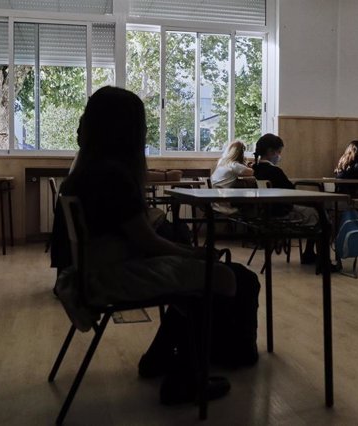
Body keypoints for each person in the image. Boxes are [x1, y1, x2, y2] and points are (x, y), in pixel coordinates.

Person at [52, 85, 236, 405]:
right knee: (218, 276)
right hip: (109, 277)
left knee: (201, 271)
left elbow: (133, 233)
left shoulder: (86, 171)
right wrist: (195, 254)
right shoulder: (113, 176)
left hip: (89, 272)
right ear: (128, 131)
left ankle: (163, 357)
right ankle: (185, 379)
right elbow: (148, 242)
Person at [251, 133, 319, 264]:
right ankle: (312, 255)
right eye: (279, 152)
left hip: (265, 213)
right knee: (321, 216)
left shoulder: (254, 169)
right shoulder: (275, 171)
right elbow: (292, 193)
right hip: (283, 213)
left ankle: (310, 254)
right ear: (271, 152)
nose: (279, 156)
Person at [209, 140, 256, 215]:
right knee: (253, 202)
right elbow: (253, 172)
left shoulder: (222, 163)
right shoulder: (234, 165)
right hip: (224, 205)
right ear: (241, 153)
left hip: (215, 203)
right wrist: (250, 165)